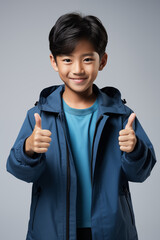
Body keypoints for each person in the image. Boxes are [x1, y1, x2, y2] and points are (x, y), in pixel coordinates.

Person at [7, 13, 156, 240]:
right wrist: (28, 149)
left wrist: (134, 150)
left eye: (87, 59)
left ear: (102, 61)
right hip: (52, 231)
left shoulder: (122, 117)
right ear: (53, 62)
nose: (77, 69)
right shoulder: (38, 116)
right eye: (67, 59)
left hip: (110, 231)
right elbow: (19, 170)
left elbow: (141, 173)